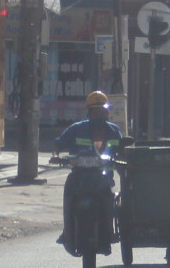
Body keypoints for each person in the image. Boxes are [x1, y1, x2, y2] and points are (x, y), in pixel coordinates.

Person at [53, 91, 131, 249]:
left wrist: (124, 161)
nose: (99, 115)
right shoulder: (76, 129)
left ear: (107, 112)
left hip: (103, 177)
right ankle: (67, 231)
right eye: (95, 112)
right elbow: (58, 144)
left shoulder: (113, 131)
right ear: (88, 113)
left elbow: (122, 152)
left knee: (109, 199)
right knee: (68, 195)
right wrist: (56, 155)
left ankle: (109, 231)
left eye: (102, 111)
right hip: (79, 177)